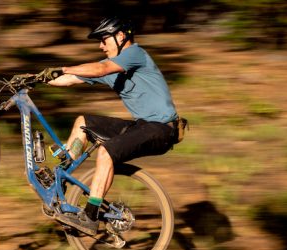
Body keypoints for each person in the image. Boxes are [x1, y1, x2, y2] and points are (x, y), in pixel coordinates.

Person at [39, 16, 182, 236]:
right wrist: (35, 78)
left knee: (105, 153)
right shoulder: (113, 71)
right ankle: (61, 178)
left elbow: (100, 68)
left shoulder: (134, 53)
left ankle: (90, 216)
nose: (100, 45)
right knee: (82, 122)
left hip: (162, 128)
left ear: (122, 36)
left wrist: (63, 67)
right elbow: (69, 80)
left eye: (104, 39)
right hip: (142, 125)